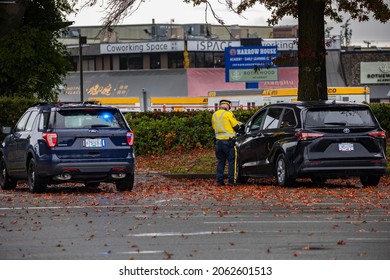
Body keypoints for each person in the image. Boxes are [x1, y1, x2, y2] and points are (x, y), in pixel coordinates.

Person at [211, 99, 242, 186]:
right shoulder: (228, 114)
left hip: (218, 142)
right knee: (232, 161)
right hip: (228, 142)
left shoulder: (214, 115)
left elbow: (214, 128)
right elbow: (236, 127)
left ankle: (219, 181)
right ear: (228, 106)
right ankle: (231, 181)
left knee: (221, 161)